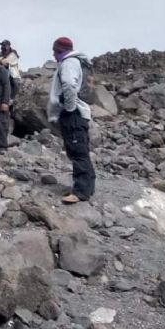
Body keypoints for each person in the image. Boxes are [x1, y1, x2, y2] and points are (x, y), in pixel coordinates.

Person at [47, 36, 96, 204]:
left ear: (59, 50)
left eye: (55, 51)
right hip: (80, 114)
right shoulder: (79, 63)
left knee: (77, 152)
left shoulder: (69, 63)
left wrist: (69, 108)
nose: (53, 55)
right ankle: (88, 187)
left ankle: (80, 191)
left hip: (73, 114)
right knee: (81, 150)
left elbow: (68, 84)